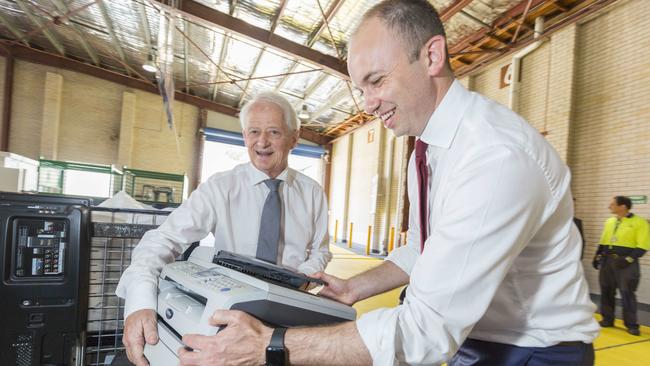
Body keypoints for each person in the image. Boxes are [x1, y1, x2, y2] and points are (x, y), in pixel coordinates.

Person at [177, 1, 599, 365]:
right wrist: (354, 287)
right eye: (362, 88)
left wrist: (268, 345)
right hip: (474, 338)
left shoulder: (494, 156)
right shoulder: (431, 147)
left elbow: (425, 331)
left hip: (535, 351)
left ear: (433, 56)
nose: (368, 103)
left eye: (376, 81)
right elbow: (423, 245)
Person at [115, 91, 332, 366]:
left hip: (289, 310)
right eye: (254, 131)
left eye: (274, 132)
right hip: (229, 310)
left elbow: (321, 250)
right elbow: (164, 239)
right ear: (244, 136)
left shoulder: (312, 193)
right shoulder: (220, 187)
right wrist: (140, 302)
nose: (261, 142)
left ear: (293, 138)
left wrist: (301, 277)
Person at [592, 196, 649, 336]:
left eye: (612, 204)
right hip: (607, 262)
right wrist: (597, 255)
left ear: (623, 206)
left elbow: (643, 245)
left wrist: (629, 259)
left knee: (627, 293)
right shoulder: (609, 221)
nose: (609, 206)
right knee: (606, 291)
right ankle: (607, 319)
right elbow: (604, 240)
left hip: (626, 264)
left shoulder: (640, 222)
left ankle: (631, 325)